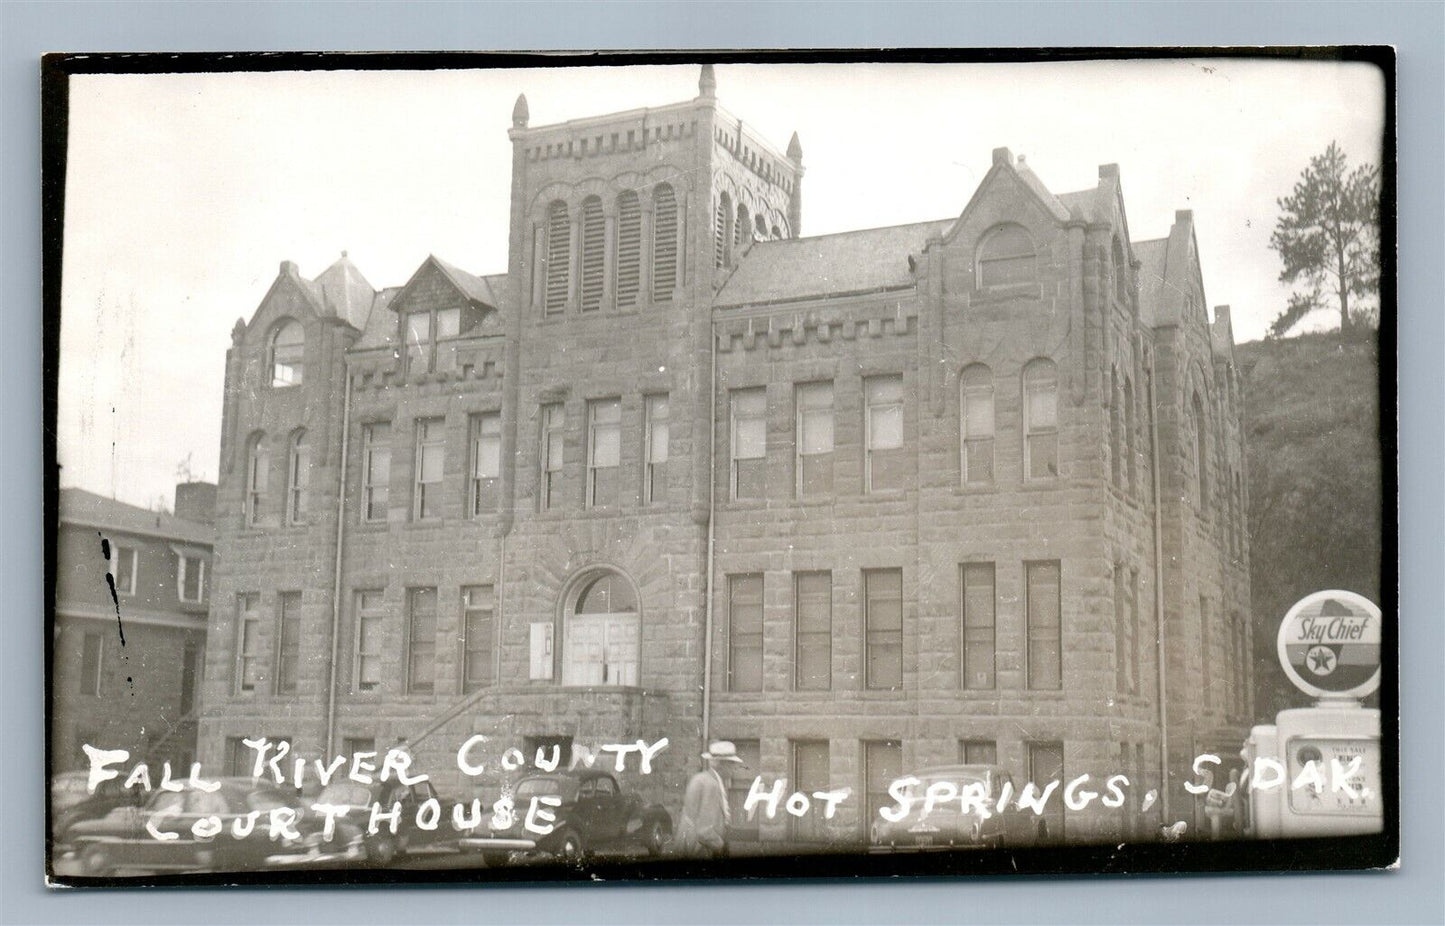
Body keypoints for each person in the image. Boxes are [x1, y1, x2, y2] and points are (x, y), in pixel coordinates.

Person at [676, 740, 745, 858]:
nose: (734, 768)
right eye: (732, 763)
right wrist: (721, 847)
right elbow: (704, 830)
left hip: (690, 846)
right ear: (721, 764)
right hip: (700, 850)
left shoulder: (703, 778)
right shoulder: (711, 785)